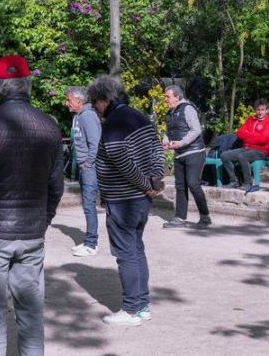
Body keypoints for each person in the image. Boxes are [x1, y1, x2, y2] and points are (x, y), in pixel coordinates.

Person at [0, 54, 64, 355]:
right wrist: (43, 221)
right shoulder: (49, 125)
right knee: (31, 315)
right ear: (27, 84)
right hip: (31, 233)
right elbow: (56, 184)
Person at [87, 76, 165, 326]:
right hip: (140, 198)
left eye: (95, 103)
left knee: (126, 253)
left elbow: (120, 159)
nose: (95, 108)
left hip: (124, 199)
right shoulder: (140, 117)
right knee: (136, 250)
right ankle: (142, 305)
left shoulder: (115, 122)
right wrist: (155, 180)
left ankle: (131, 309)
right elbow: (156, 150)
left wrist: (145, 183)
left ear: (104, 99)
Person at [162, 85, 211, 229]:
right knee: (180, 186)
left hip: (194, 152)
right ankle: (179, 218)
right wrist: (165, 141)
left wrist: (181, 143)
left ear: (177, 97)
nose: (165, 99)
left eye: (168, 97)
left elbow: (196, 130)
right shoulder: (170, 113)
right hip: (179, 154)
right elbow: (169, 131)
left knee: (193, 183)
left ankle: (205, 217)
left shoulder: (187, 109)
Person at [65, 86, 102, 256]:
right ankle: (89, 239)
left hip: (89, 168)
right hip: (83, 167)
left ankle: (92, 244)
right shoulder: (79, 116)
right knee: (87, 205)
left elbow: (95, 143)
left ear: (79, 101)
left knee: (89, 205)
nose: (66, 103)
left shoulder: (87, 116)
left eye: (69, 100)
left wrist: (87, 164)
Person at [219, 98, 269, 193]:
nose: (260, 112)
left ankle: (248, 183)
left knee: (242, 156)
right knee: (224, 155)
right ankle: (234, 181)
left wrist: (247, 135)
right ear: (255, 110)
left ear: (266, 110)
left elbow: (263, 139)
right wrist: (254, 137)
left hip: (261, 151)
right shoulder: (250, 120)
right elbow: (240, 133)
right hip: (246, 148)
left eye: (262, 110)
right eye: (258, 109)